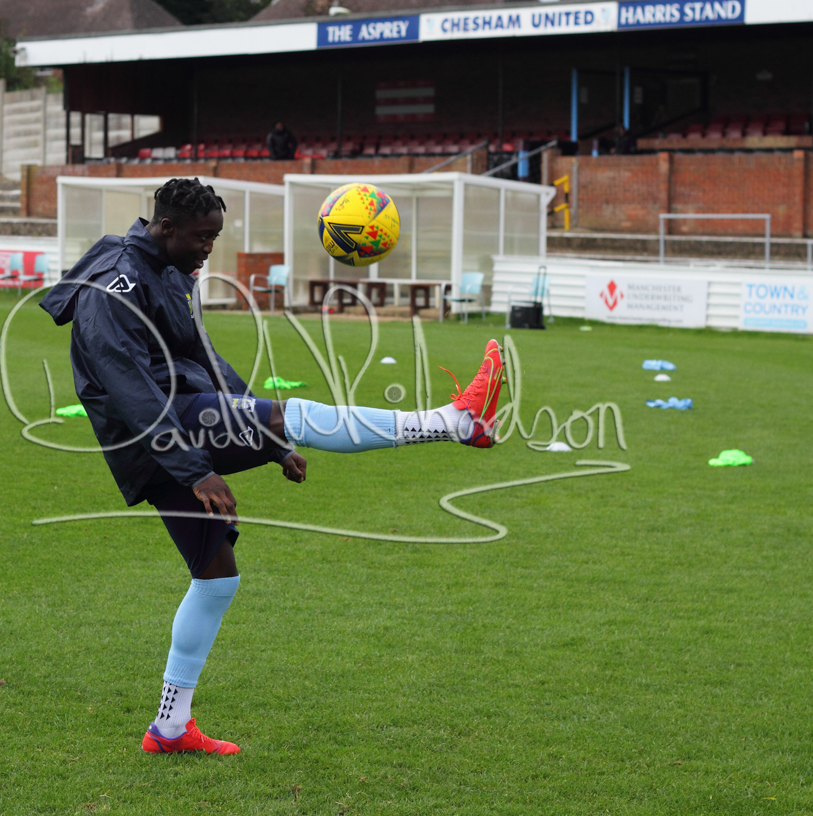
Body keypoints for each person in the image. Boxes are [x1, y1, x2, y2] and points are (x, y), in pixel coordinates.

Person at [41, 178, 503, 755]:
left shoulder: (170, 269)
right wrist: (195, 469)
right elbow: (129, 387)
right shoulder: (118, 284)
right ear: (166, 228)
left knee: (216, 579)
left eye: (215, 236)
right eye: (202, 237)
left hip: (173, 423)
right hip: (154, 430)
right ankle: (452, 421)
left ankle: (169, 728)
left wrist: (270, 444)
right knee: (293, 414)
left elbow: (202, 356)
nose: (209, 248)